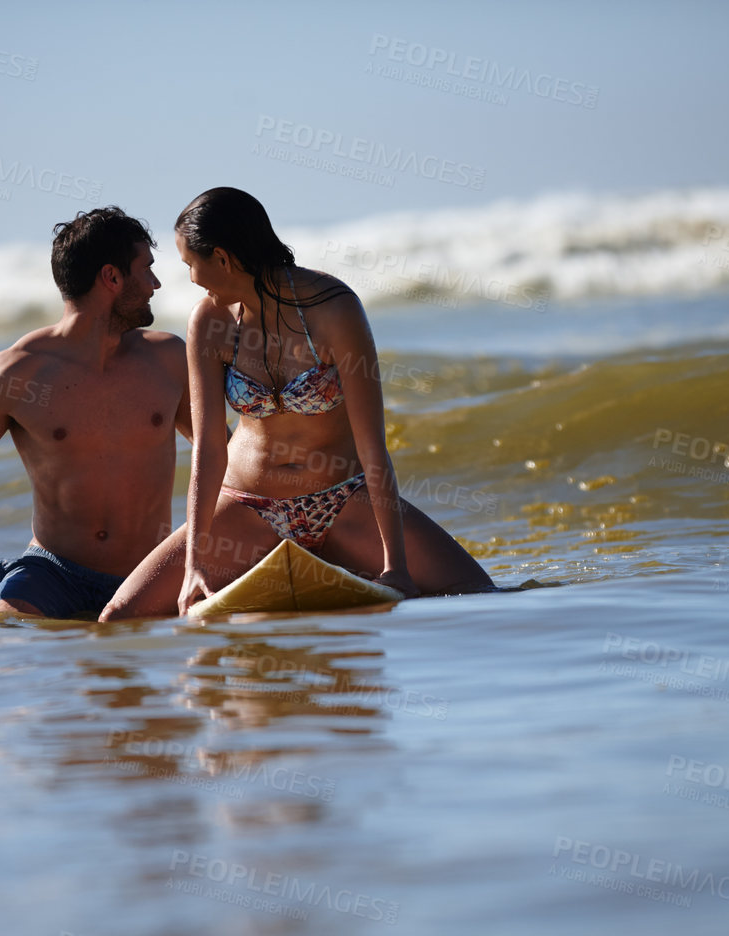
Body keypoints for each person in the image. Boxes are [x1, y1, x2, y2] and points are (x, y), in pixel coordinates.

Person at [100, 187, 493, 620]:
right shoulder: (209, 322)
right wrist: (195, 565)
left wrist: (394, 566)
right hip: (248, 506)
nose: (191, 278)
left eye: (191, 264)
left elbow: (372, 447)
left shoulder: (333, 310)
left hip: (342, 501)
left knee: (476, 592)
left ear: (223, 258)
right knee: (119, 615)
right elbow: (209, 448)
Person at [0, 207, 189, 619]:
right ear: (112, 278)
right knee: (1, 633)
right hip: (52, 572)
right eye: (146, 269)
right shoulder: (16, 372)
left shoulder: (169, 360)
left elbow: (221, 452)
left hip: (150, 573)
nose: (155, 284)